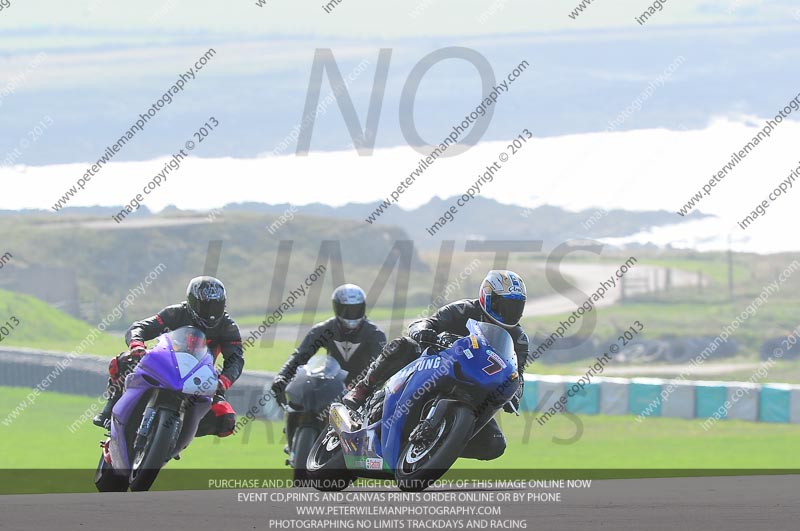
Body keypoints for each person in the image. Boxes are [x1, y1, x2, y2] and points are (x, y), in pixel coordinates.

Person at [342, 270, 529, 461]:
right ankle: (363, 389)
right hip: (438, 363)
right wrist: (423, 332)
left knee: (495, 444)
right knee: (402, 345)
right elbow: (427, 322)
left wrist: (514, 393)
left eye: (515, 307)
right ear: (487, 297)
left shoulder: (519, 339)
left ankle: (438, 446)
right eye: (504, 305)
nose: (509, 312)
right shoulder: (463, 309)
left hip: (478, 388)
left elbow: (516, 372)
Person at [93, 276, 244, 438]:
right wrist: (137, 345)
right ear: (192, 303)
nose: (211, 314)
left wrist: (223, 381)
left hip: (199, 376)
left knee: (226, 420)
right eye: (205, 307)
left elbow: (235, 359)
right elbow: (140, 327)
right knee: (123, 361)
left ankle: (178, 434)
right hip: (165, 363)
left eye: (216, 307)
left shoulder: (228, 327)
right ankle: (110, 407)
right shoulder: (175, 313)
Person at [270, 284, 387, 404]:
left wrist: (367, 388)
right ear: (337, 308)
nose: (351, 314)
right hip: (330, 390)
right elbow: (300, 355)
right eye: (346, 310)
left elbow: (381, 365)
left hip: (362, 393)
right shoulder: (325, 329)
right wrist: (283, 376)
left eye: (356, 309)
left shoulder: (375, 334)